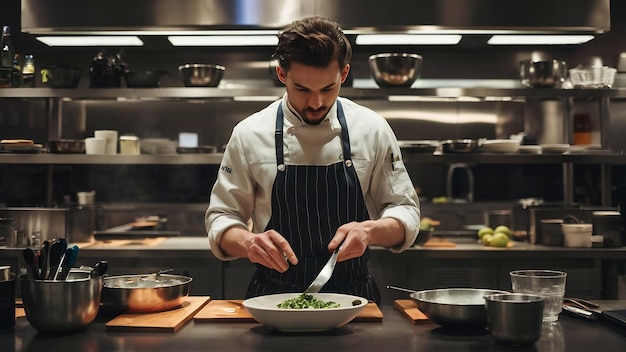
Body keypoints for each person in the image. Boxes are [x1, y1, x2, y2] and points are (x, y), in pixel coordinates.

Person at [205, 16, 420, 304]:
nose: (316, 103)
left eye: (328, 89)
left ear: (343, 74)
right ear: (282, 75)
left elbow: (404, 211)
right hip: (272, 299)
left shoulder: (372, 129)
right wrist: (249, 242)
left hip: (354, 301)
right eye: (302, 89)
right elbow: (223, 216)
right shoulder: (249, 134)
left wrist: (369, 231)